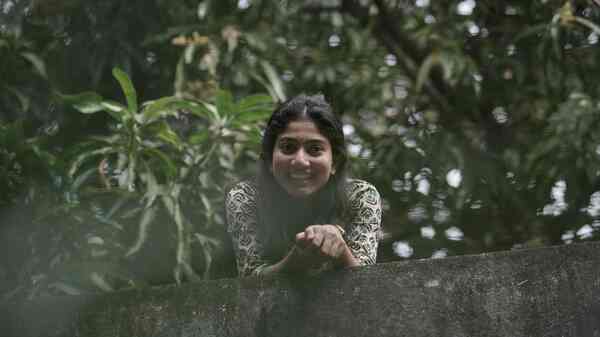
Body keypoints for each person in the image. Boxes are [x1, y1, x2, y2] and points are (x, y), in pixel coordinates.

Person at [225, 94, 381, 277]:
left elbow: (367, 283)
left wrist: (340, 249)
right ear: (269, 160)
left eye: (314, 149)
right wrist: (296, 261)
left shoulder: (362, 196)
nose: (300, 161)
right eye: (288, 147)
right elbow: (250, 277)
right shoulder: (245, 197)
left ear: (335, 162)